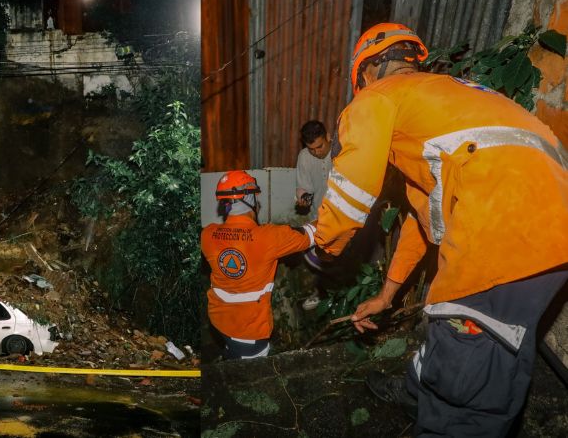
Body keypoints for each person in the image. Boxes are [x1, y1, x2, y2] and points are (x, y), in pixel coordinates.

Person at [310, 22, 567, 436]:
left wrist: (322, 245)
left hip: (500, 233)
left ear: (367, 72)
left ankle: (453, 418)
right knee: (494, 339)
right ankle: (418, 390)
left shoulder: (379, 96)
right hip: (554, 236)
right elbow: (423, 220)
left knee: (469, 377)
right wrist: (387, 294)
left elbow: (351, 188)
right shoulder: (453, 99)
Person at [202, 170, 316, 359]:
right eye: (254, 196)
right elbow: (312, 234)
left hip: (219, 321)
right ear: (247, 198)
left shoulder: (208, 235)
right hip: (251, 334)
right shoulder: (268, 238)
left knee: (231, 357)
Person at [295, 120, 332, 219]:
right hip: (318, 216)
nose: (316, 152)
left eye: (320, 146)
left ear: (328, 137)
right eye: (311, 149)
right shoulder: (304, 156)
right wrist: (304, 198)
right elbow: (304, 187)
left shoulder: (342, 154)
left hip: (344, 218)